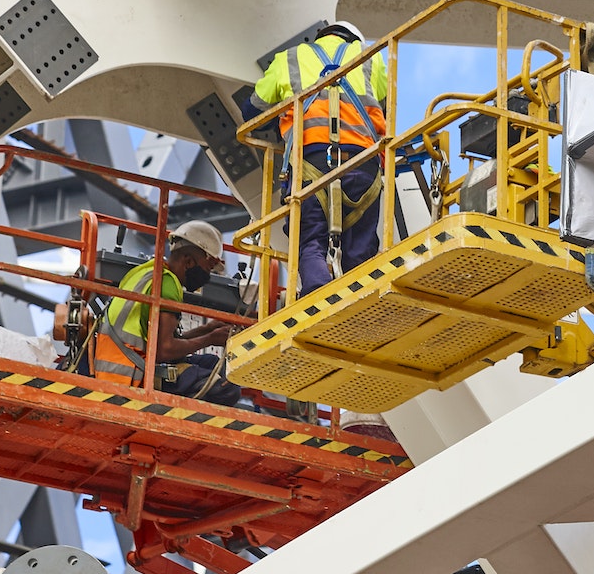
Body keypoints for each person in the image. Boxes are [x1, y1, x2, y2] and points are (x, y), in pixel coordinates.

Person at [252, 21, 389, 293]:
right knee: (360, 246)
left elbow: (252, 110)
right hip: (363, 162)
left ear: (320, 37)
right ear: (353, 41)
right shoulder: (371, 57)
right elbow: (383, 105)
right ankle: (358, 298)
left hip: (310, 162)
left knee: (311, 240)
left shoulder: (289, 58)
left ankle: (317, 293)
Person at [91, 220, 244, 406]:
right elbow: (165, 350)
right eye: (207, 269)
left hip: (126, 363)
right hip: (131, 376)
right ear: (189, 262)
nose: (207, 277)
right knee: (227, 389)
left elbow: (160, 341)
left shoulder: (147, 272)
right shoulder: (167, 283)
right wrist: (209, 339)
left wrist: (206, 330)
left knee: (211, 362)